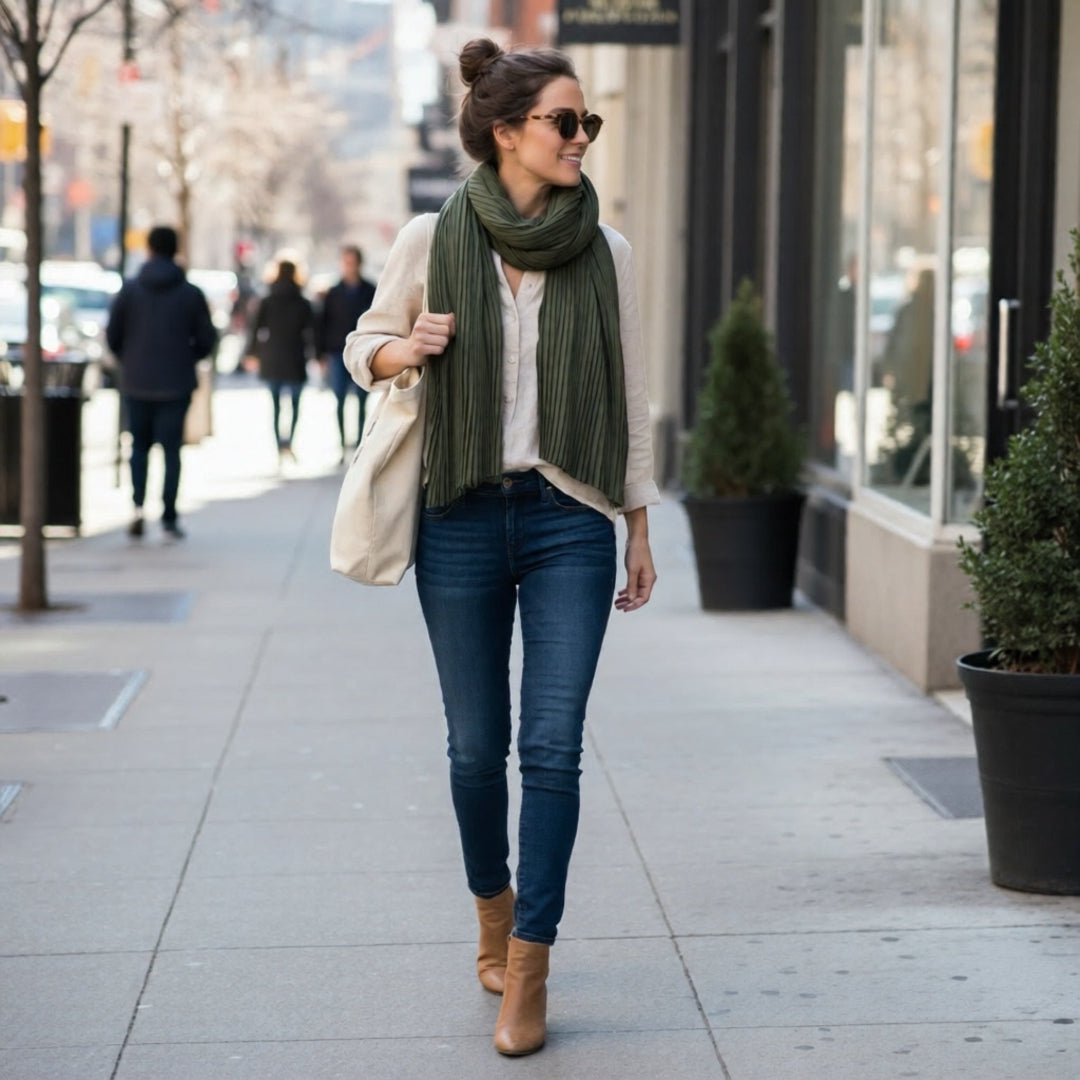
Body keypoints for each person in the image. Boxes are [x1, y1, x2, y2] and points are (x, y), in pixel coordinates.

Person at [344, 38, 658, 1057]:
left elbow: (631, 396)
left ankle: (530, 963)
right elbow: (362, 348)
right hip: (461, 514)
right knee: (476, 748)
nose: (579, 139)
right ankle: (491, 902)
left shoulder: (606, 251)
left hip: (571, 514)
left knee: (552, 748)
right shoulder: (432, 239)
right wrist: (407, 348)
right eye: (565, 122)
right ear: (508, 130)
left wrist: (639, 524)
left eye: (587, 124)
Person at [106, 225, 217, 540]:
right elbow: (207, 339)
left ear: (149, 250)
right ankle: (168, 516)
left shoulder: (129, 290)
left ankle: (138, 507)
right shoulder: (190, 293)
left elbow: (113, 336)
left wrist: (130, 360)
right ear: (174, 250)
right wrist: (187, 357)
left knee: (138, 447)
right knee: (171, 451)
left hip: (136, 380)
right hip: (176, 382)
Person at [245, 259, 314, 461]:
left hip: (272, 356)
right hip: (295, 356)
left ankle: (278, 446)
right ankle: (289, 442)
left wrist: (251, 353)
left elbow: (255, 329)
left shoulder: (267, 300)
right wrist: (318, 355)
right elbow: (312, 331)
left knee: (275, 405)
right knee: (294, 403)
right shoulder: (303, 302)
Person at [316, 245, 376, 460]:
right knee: (339, 399)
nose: (348, 267)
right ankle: (342, 445)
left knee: (361, 399)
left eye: (352, 262)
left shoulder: (371, 290)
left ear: (359, 263)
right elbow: (322, 323)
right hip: (337, 352)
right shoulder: (333, 292)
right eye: (345, 262)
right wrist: (319, 354)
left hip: (364, 352)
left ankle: (360, 444)